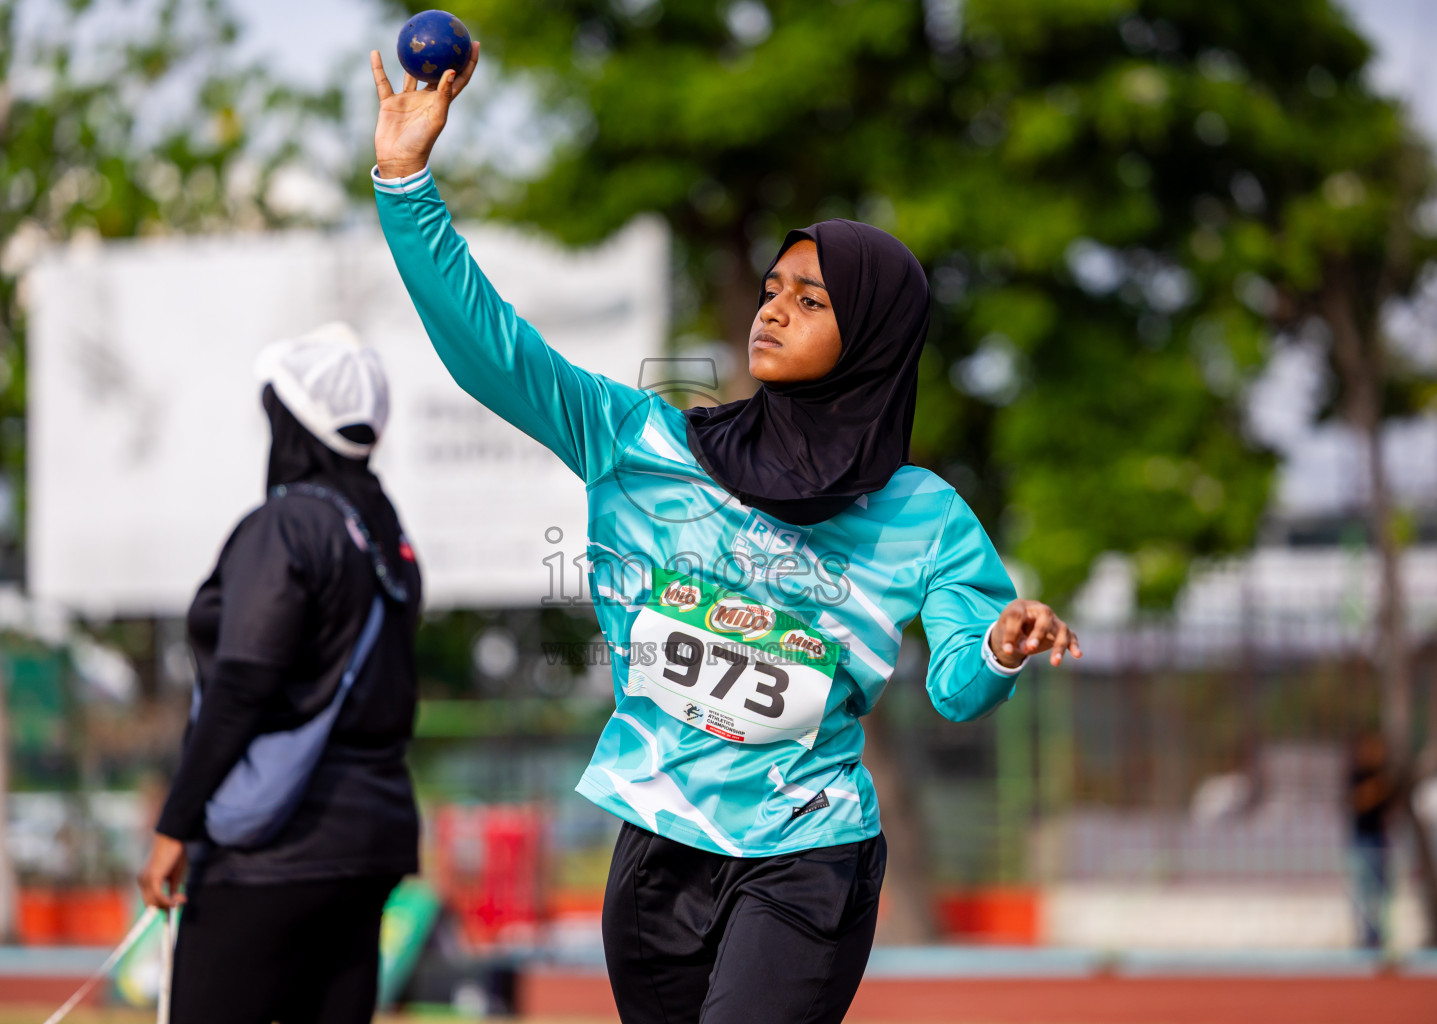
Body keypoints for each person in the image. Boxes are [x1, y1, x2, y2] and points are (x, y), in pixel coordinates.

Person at [368, 44, 1080, 1024]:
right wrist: (406, 182)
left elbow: (958, 688)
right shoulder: (642, 439)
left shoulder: (923, 514)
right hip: (657, 847)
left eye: (812, 299)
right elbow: (494, 351)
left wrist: (998, 645)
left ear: (873, 337)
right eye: (774, 288)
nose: (775, 310)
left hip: (807, 856)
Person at [136, 324, 424, 1024]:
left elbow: (241, 685)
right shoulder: (384, 528)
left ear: (291, 424)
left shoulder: (288, 526)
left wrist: (176, 826)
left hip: (272, 851)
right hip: (370, 843)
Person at [1347, 730, 1396, 949]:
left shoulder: (1382, 774)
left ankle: (1380, 937)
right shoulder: (1357, 774)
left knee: (1383, 891)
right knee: (1364, 891)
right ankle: (1366, 938)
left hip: (1380, 839)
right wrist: (1377, 789)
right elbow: (1360, 801)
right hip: (1362, 840)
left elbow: (1389, 805)